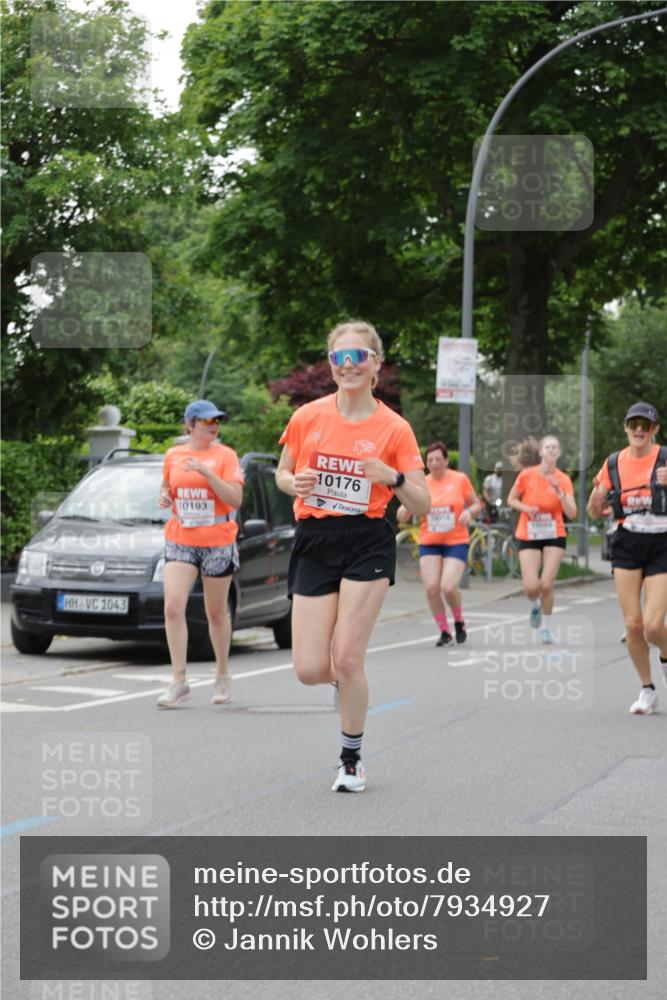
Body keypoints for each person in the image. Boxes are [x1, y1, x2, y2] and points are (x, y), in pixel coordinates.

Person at [276, 321, 429, 792]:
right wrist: (295, 483)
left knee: (346, 657)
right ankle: (346, 684)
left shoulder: (394, 428)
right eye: (339, 358)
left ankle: (351, 758)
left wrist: (393, 478)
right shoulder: (308, 417)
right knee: (309, 669)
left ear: (375, 363)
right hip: (316, 539)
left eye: (358, 356)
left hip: (367, 539)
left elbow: (423, 503)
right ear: (330, 365)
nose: (348, 365)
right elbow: (283, 473)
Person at [156, 399, 244, 709]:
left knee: (216, 613)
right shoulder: (173, 455)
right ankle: (179, 681)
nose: (213, 426)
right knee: (172, 607)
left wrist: (207, 472)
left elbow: (235, 498)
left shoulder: (226, 456)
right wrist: (165, 496)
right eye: (206, 421)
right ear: (190, 425)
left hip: (217, 540)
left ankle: (222, 674)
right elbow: (167, 487)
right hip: (181, 538)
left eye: (217, 421)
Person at [588, 402, 667, 715]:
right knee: (633, 625)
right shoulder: (612, 464)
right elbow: (595, 511)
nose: (639, 430)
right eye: (634, 424)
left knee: (653, 626)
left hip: (662, 542)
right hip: (627, 542)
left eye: (646, 425)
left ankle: (665, 657)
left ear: (654, 430)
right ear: (626, 428)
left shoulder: (665, 458)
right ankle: (647, 689)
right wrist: (596, 500)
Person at [397, 442, 482, 647]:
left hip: (456, 541)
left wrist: (468, 512)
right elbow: (401, 516)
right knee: (431, 588)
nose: (434, 463)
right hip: (430, 541)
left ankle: (459, 621)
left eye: (438, 459)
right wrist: (407, 508)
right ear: (426, 463)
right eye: (430, 460)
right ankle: (444, 631)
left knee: (449, 587)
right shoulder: (422, 484)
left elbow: (477, 504)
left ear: (445, 461)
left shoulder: (459, 479)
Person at [507, 435, 577, 644]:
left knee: (546, 585)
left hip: (554, 533)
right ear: (541, 452)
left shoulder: (563, 479)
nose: (551, 450)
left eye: (555, 447)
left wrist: (560, 493)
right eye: (548, 447)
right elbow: (511, 499)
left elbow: (572, 513)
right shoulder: (527, 475)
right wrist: (527, 508)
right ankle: (536, 604)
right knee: (531, 587)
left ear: (559, 453)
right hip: (529, 532)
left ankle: (546, 627)